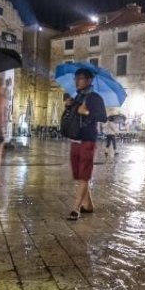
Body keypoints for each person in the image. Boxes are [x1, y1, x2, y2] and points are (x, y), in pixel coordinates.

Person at [65, 68, 107, 221]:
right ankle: (88, 205)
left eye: (80, 78)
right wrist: (69, 107)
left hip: (88, 140)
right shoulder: (76, 97)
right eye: (76, 78)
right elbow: (73, 118)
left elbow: (103, 117)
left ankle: (76, 208)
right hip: (75, 140)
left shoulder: (95, 98)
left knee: (84, 176)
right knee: (80, 175)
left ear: (89, 80)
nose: (77, 81)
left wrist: (88, 112)